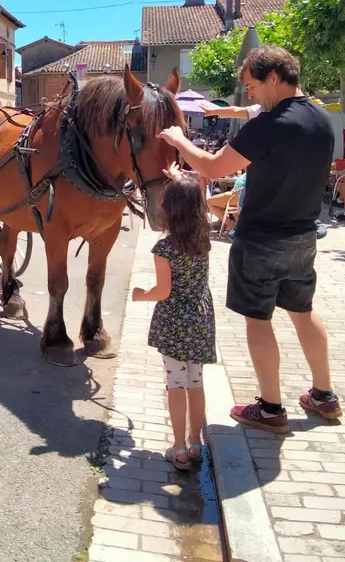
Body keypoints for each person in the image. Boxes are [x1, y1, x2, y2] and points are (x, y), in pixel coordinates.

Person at [158, 46, 341, 434]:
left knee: (259, 321)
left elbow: (211, 165)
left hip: (261, 239)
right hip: (304, 235)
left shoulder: (271, 124)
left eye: (251, 86)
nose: (250, 95)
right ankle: (324, 395)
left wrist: (178, 140)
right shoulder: (322, 120)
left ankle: (271, 407)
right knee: (303, 311)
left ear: (273, 76)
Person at [132, 175, 216, 469]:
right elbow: (198, 191)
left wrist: (141, 295)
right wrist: (183, 179)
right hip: (200, 319)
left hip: (174, 321)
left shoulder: (164, 249)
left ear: (168, 209)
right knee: (196, 382)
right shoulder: (203, 241)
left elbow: (163, 291)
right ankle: (196, 443)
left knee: (175, 384)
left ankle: (178, 448)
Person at [198, 98, 328, 240]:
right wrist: (214, 111)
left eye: (252, 86)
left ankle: (242, 224)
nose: (251, 94)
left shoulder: (269, 115)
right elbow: (238, 111)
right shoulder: (264, 110)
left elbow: (238, 111)